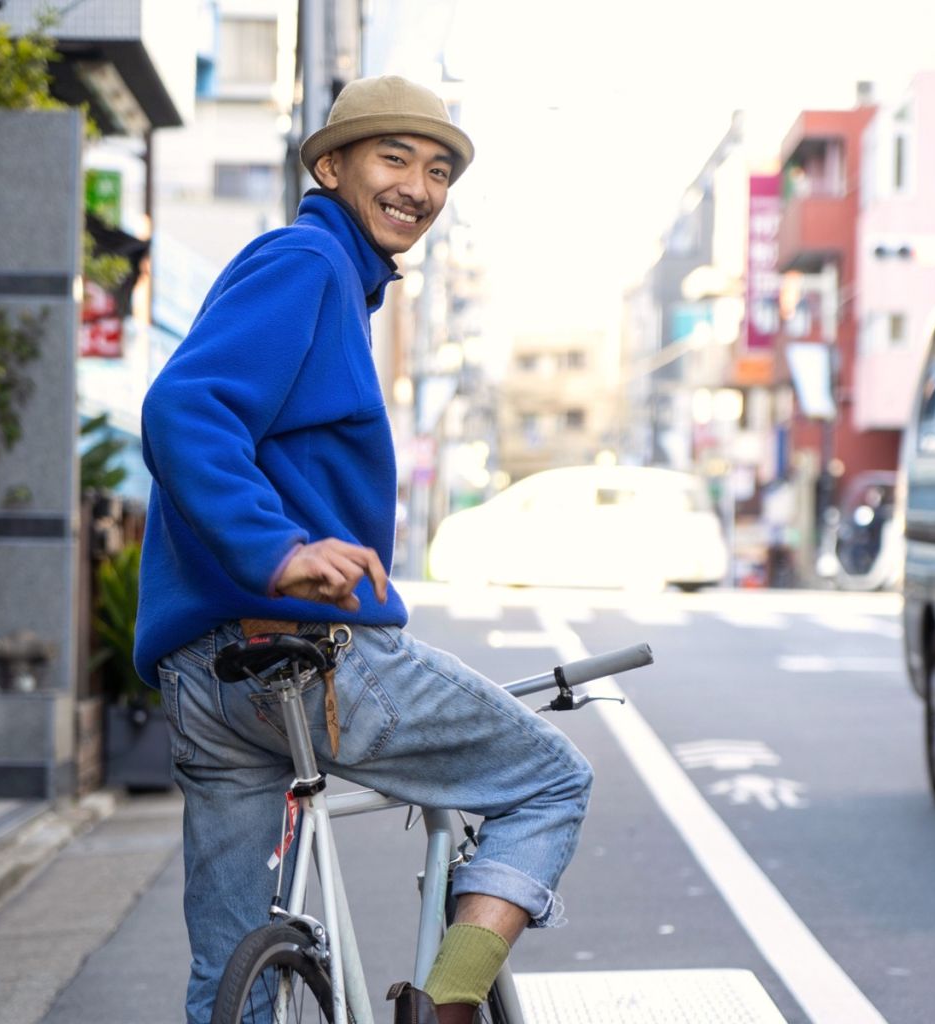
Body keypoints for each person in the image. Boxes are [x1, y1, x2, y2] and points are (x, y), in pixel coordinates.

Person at [134, 75, 594, 1024]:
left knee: (231, 970)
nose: (420, 189)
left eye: (438, 173)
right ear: (331, 166)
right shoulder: (306, 261)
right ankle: (452, 1001)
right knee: (552, 779)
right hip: (310, 659)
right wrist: (278, 551)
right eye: (395, 159)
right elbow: (184, 407)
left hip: (205, 675)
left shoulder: (330, 279)